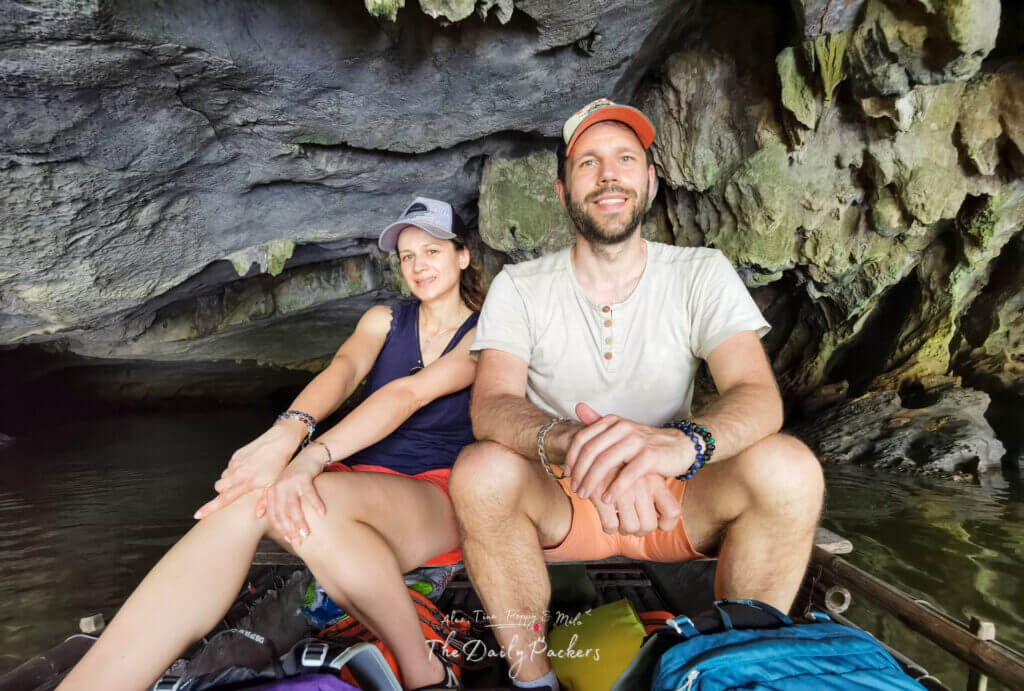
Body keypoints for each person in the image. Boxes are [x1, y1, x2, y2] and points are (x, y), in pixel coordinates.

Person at [449, 99, 825, 690]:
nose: (608, 175)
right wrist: (578, 442)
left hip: (673, 499)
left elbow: (757, 395)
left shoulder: (700, 271)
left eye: (625, 158)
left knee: (791, 468)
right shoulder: (519, 286)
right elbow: (490, 405)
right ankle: (533, 680)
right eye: (588, 162)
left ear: (649, 180)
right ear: (562, 189)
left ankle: (735, 671)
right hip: (561, 495)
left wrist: (681, 445)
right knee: (478, 472)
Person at [58, 196, 482, 691]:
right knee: (244, 506)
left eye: (431, 251)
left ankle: (421, 670)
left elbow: (407, 395)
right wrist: (287, 430)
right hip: (357, 485)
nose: (417, 266)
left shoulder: (489, 330)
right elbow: (342, 372)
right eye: (407, 256)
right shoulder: (384, 320)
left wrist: (308, 458)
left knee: (306, 496)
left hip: (433, 493)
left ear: (462, 255)